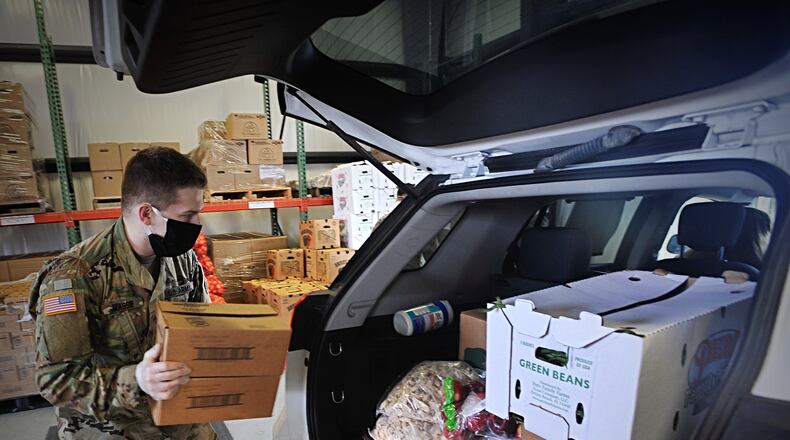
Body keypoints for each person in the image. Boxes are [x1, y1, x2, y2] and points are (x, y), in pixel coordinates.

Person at [29, 147, 217, 439]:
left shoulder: (183, 260)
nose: (196, 226)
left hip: (176, 414)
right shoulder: (76, 274)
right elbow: (55, 382)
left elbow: (199, 331)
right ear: (146, 213)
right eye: (188, 215)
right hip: (110, 424)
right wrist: (137, 381)